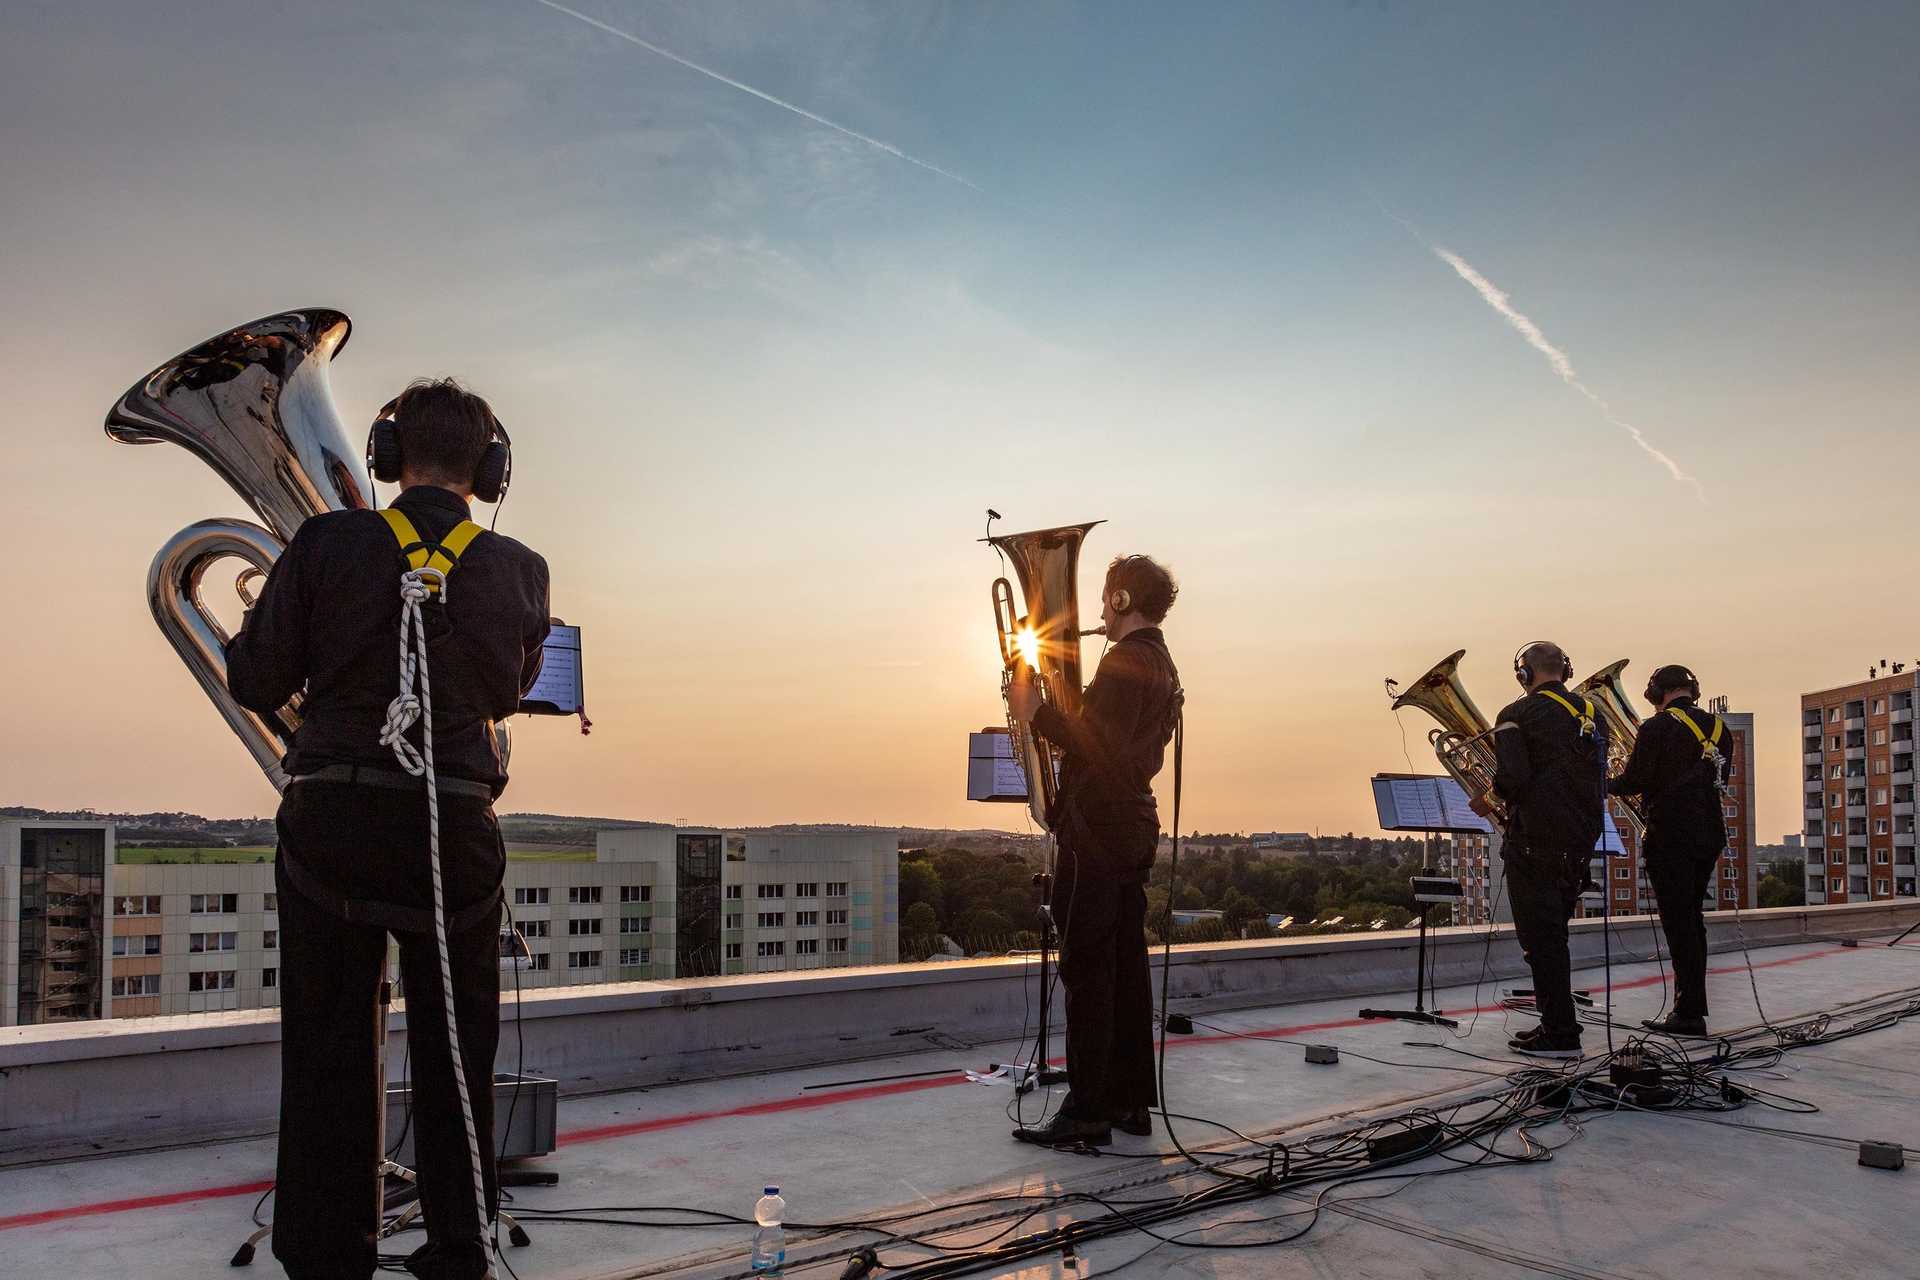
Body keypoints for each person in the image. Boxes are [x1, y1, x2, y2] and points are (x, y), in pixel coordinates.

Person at [227, 379, 550, 1280]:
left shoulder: (327, 542)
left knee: (328, 1049)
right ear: (490, 470)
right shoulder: (520, 567)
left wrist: (278, 613)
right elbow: (505, 694)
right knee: (459, 1047)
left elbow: (254, 680)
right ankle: (458, 1250)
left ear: (384, 455)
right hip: (452, 825)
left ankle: (329, 1257)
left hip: (333, 819)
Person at [1004, 555, 1182, 1147]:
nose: (1100, 610)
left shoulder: (1127, 662)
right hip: (1129, 827)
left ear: (1122, 601)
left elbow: (1095, 743)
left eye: (1106, 598)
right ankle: (1130, 1102)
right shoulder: (1159, 661)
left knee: (1087, 970)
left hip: (1098, 831)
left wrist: (1036, 712)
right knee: (1126, 967)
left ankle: (1087, 1110)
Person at [1471, 641, 1608, 1059]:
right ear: (1565, 671)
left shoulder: (1516, 714)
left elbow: (1513, 777)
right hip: (1579, 842)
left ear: (1523, 676)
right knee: (1555, 936)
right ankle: (1557, 1021)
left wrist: (1486, 798)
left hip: (1534, 840)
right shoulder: (1591, 713)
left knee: (1540, 941)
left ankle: (1561, 1034)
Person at [1605, 665, 1731, 1038]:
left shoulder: (1656, 727)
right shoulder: (1720, 729)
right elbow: (1721, 779)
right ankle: (1690, 1006)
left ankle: (1688, 1014)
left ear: (1657, 691)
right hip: (1708, 834)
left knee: (1679, 926)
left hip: (1670, 835)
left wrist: (1603, 781)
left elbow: (1635, 780)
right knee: (1691, 921)